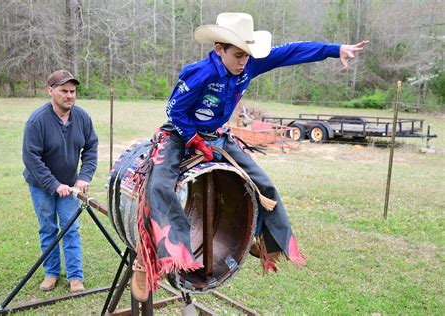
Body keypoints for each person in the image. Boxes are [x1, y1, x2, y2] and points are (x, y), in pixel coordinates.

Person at [132, 12, 369, 301]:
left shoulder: (250, 64)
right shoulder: (200, 73)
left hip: (216, 136)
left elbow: (292, 51)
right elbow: (173, 110)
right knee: (158, 186)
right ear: (220, 49)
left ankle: (263, 241)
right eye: (238, 55)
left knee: (264, 185)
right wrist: (192, 138)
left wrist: (335, 50)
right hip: (181, 133)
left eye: (247, 54)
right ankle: (154, 258)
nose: (243, 61)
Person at [22, 70, 98, 293]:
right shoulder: (37, 121)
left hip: (69, 185)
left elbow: (91, 147)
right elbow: (31, 158)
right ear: (50, 91)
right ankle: (51, 273)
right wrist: (54, 185)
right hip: (41, 186)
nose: (69, 95)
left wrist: (84, 176)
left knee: (70, 228)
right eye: (63, 91)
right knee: (48, 228)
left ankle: (75, 276)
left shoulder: (82, 117)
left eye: (72, 91)